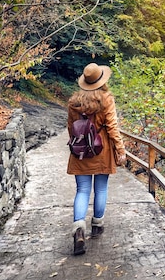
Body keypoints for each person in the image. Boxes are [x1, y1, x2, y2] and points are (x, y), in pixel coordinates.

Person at [67, 62, 127, 255]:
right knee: (100, 188)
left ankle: (78, 230)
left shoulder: (73, 102)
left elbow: (71, 128)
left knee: (82, 190)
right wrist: (121, 150)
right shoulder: (106, 99)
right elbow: (112, 127)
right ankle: (97, 225)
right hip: (102, 151)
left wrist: (78, 146)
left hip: (81, 151)